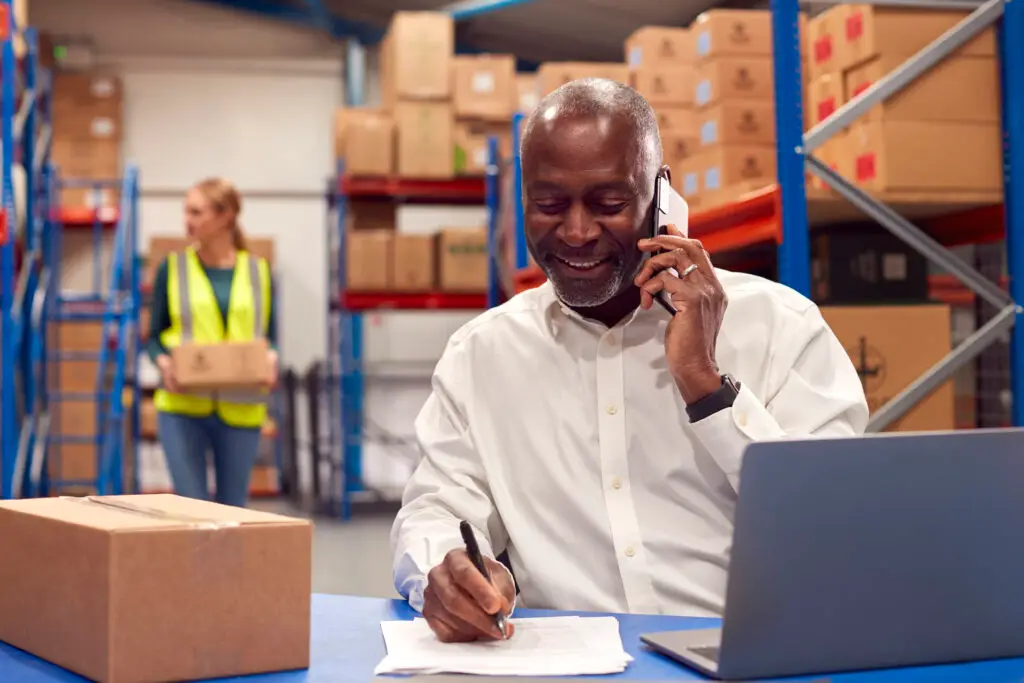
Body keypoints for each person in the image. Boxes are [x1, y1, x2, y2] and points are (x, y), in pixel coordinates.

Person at [391, 79, 869, 642]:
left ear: (661, 195)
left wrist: (706, 386)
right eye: (548, 205)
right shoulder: (482, 354)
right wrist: (445, 570)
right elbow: (436, 507)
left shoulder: (779, 327)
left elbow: (836, 524)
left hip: (750, 656)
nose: (575, 231)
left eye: (609, 204)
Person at [148, 177, 278, 508]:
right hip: (183, 406)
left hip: (242, 406)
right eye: (185, 212)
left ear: (226, 217)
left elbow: (270, 336)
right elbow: (153, 338)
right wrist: (164, 363)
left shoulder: (258, 271)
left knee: (233, 512)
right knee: (191, 510)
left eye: (196, 212)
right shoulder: (173, 268)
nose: (186, 220)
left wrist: (273, 359)